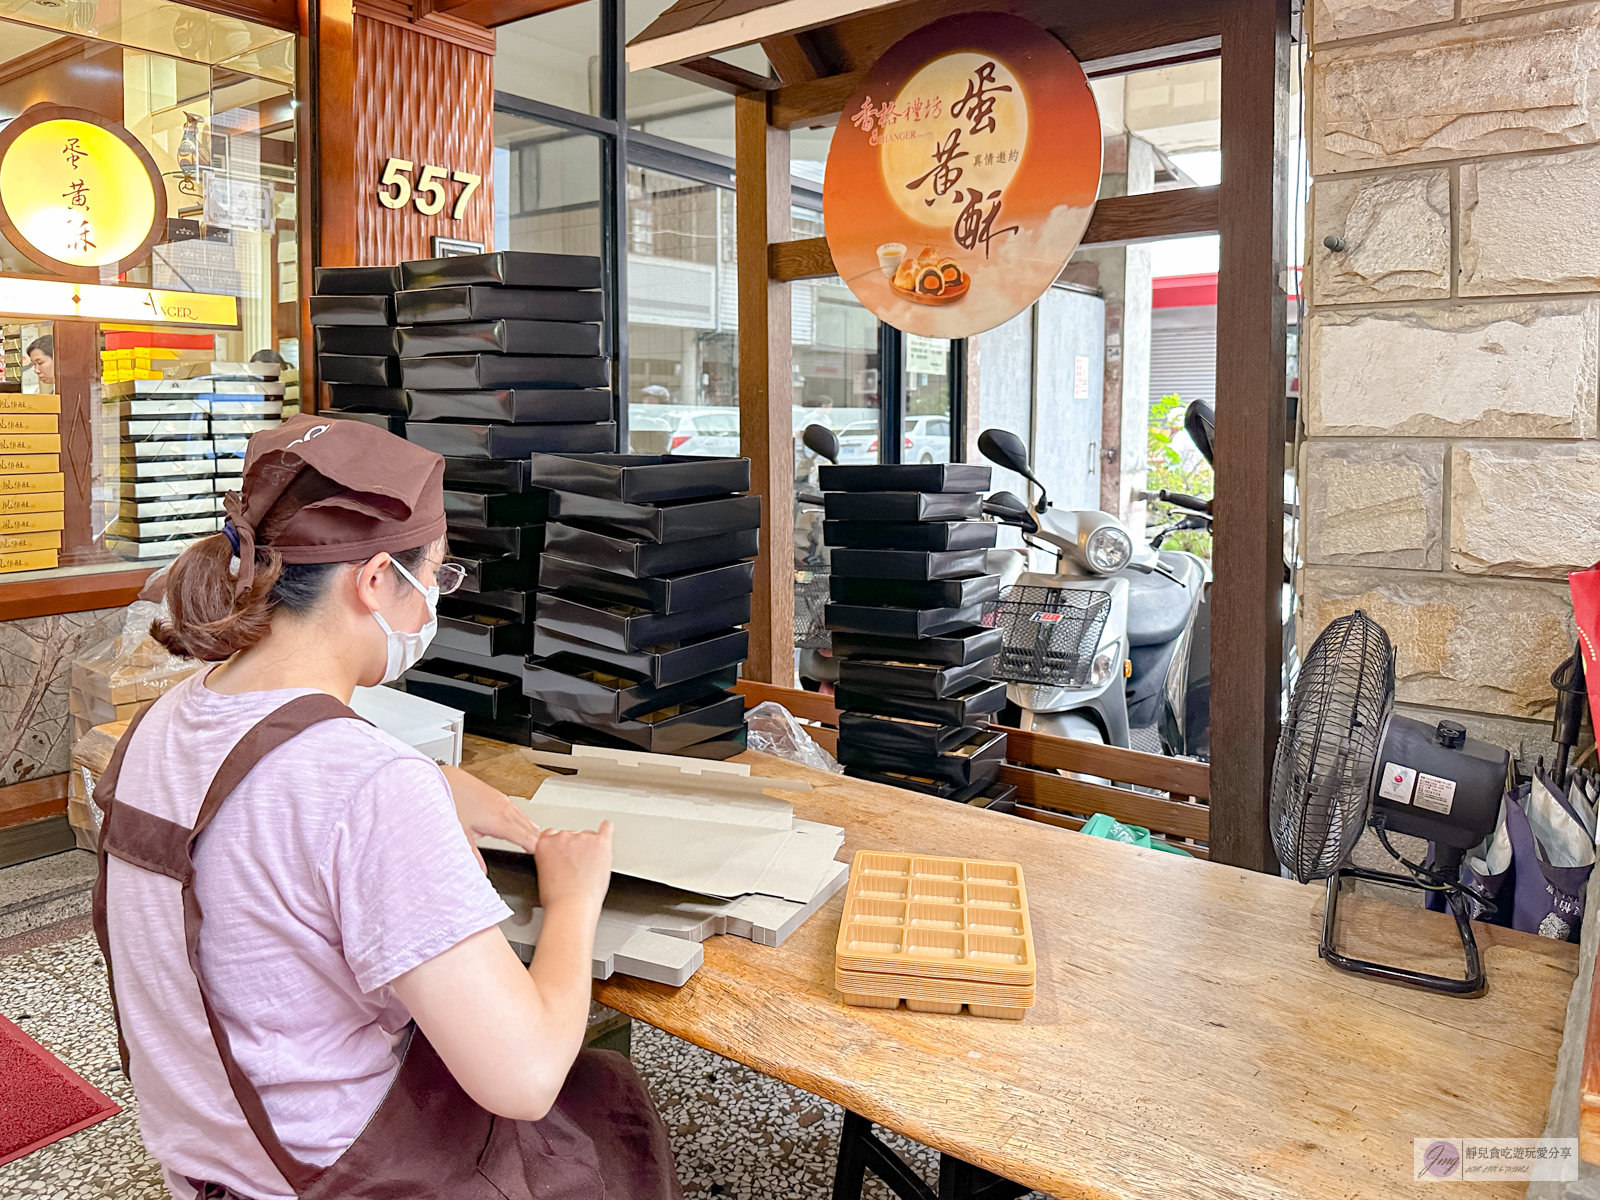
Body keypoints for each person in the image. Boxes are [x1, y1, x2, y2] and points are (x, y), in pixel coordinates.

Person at [94, 415, 683, 1200]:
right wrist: (574, 900)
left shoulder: (164, 721)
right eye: (435, 577)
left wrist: (429, 781)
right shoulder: (363, 785)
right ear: (374, 580)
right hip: (335, 1182)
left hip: (215, 1165)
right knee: (595, 1101)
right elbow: (526, 1077)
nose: (430, 608)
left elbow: (254, 798)